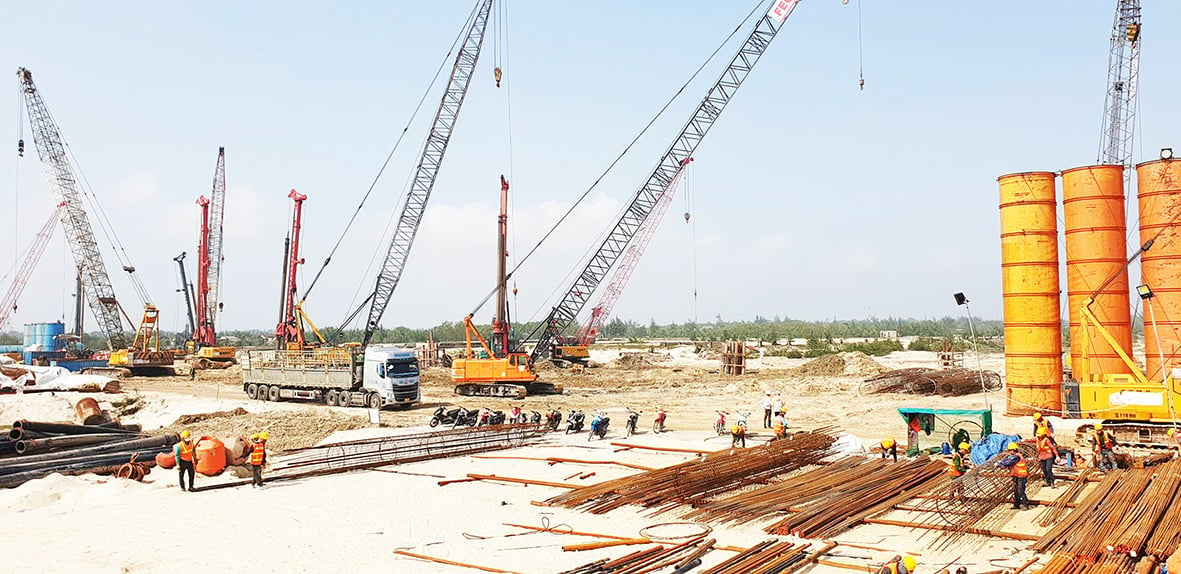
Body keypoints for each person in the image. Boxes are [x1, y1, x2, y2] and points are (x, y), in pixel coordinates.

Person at [996, 442, 1031, 510]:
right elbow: (1006, 460)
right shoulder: (1012, 456)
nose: (1010, 452)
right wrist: (1001, 463)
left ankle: (1025, 504)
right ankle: (1016, 505)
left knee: (1020, 490)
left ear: (1014, 450)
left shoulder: (1017, 456)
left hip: (1021, 475)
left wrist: (1000, 464)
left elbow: (1008, 462)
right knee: (1016, 491)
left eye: (1010, 450)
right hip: (1016, 475)